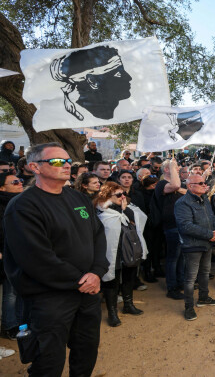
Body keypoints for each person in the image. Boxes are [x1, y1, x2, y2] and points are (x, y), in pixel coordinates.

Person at [3, 143, 108, 376]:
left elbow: (98, 235)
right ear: (34, 167)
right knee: (49, 360)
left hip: (88, 292)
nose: (67, 165)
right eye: (58, 161)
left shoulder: (77, 198)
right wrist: (83, 279)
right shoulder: (22, 206)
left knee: (86, 349)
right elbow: (37, 258)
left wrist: (97, 272)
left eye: (68, 160)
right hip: (49, 298)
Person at [94, 182, 148, 327]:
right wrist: (122, 212)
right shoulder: (102, 212)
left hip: (129, 249)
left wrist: (124, 210)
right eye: (118, 194)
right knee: (112, 282)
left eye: (124, 193)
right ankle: (112, 313)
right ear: (107, 196)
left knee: (130, 277)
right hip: (112, 252)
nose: (123, 196)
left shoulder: (126, 208)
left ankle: (128, 305)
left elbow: (139, 219)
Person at [174, 174, 215, 321]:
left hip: (207, 243)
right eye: (200, 183)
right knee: (190, 278)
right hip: (192, 245)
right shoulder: (182, 203)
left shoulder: (205, 199)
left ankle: (203, 297)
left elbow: (213, 217)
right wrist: (209, 234)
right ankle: (189, 307)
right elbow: (186, 226)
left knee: (205, 272)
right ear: (190, 186)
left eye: (204, 183)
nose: (204, 185)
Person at [154, 159, 187, 300]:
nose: (178, 168)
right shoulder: (161, 184)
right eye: (174, 167)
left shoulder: (178, 185)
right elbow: (175, 185)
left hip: (182, 225)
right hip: (171, 226)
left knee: (181, 258)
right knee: (172, 258)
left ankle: (180, 283)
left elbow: (189, 192)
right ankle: (171, 288)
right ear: (166, 170)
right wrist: (172, 167)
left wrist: (179, 188)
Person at [0, 172, 24, 343]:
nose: (20, 183)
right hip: (7, 254)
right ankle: (10, 326)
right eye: (15, 182)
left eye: (20, 180)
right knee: (10, 293)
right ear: (2, 188)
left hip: (25, 253)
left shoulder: (24, 201)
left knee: (22, 290)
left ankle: (21, 322)